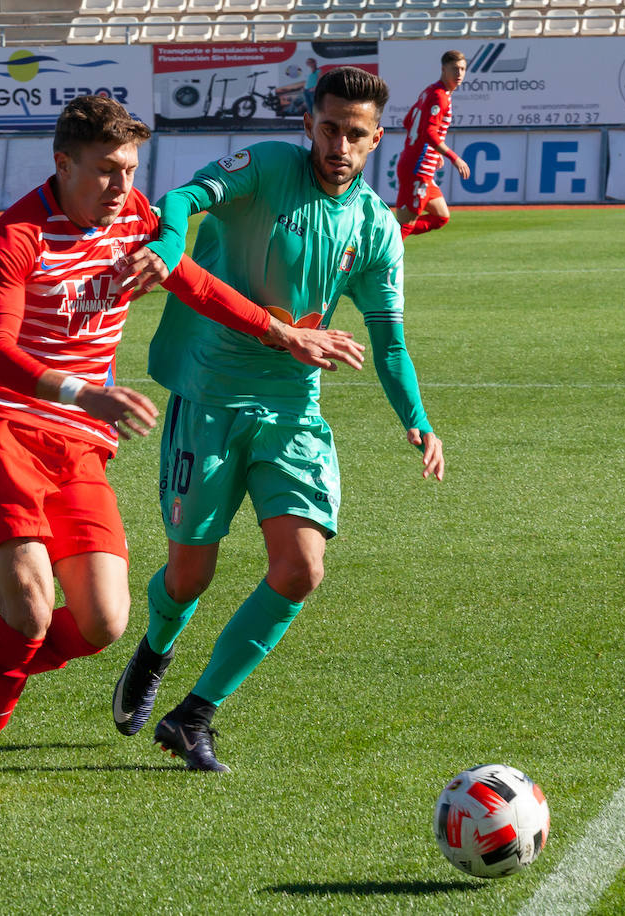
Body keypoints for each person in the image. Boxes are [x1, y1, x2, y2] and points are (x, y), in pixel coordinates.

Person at [0, 95, 364, 807]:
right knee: (32, 610)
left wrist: (286, 335)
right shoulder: (17, 236)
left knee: (103, 623)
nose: (123, 187)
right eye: (105, 171)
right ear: (63, 164)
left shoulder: (134, 222)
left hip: (78, 443)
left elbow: (194, 283)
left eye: (130, 169)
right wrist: (83, 392)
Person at [111, 66, 445, 773]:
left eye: (356, 135)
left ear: (376, 139)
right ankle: (156, 648)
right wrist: (169, 246)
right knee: (188, 580)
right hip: (209, 396)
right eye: (329, 129)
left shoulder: (378, 228)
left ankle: (194, 715)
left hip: (293, 409)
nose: (340, 146)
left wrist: (416, 418)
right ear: (309, 126)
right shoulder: (264, 168)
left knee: (300, 569)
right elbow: (182, 195)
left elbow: (388, 340)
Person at [394, 50, 469, 239]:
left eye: (462, 69)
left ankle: (386, 234)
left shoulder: (431, 91)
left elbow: (408, 120)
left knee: (441, 216)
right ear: (443, 69)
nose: (459, 74)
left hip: (420, 166)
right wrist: (454, 158)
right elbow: (428, 132)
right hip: (418, 168)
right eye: (455, 69)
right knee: (404, 227)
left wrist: (436, 153)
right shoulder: (439, 96)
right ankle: (378, 251)